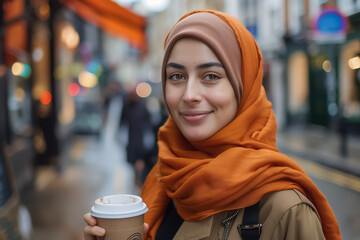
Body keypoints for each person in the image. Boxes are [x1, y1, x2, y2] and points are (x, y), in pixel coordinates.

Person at [84, 9, 341, 240]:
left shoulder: (284, 209)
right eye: (176, 76)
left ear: (243, 87)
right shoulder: (164, 178)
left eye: (211, 76)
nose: (189, 94)